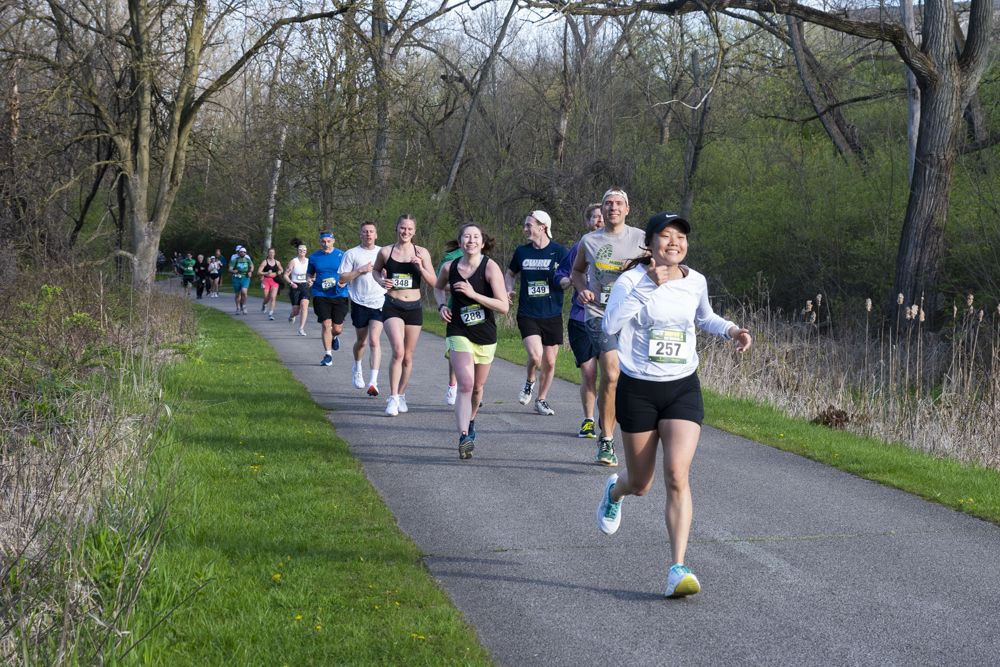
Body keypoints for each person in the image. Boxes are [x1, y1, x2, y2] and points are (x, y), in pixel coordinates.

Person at [596, 211, 752, 599]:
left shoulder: (695, 280)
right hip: (639, 390)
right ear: (649, 244)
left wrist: (731, 329)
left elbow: (705, 317)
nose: (674, 243)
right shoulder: (631, 280)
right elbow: (610, 325)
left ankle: (677, 568)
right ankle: (616, 491)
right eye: (665, 236)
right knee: (642, 484)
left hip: (683, 387)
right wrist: (648, 284)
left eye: (680, 236)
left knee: (677, 475)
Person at [571, 188, 645, 466]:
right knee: (611, 373)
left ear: (627, 209)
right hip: (598, 314)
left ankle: (617, 420)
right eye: (608, 204)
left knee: (628, 378)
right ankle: (607, 441)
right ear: (601, 209)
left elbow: (660, 267)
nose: (613, 208)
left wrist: (639, 264)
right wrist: (582, 289)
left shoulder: (642, 239)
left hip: (633, 316)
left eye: (618, 204)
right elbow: (577, 272)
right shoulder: (589, 241)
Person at [434, 223, 509, 459]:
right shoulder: (449, 267)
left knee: (477, 388)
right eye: (467, 236)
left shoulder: (490, 268)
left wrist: (473, 294)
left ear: (483, 243)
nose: (471, 240)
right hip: (458, 330)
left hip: (485, 334)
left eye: (476, 237)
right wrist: (441, 305)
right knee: (465, 384)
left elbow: (503, 306)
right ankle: (464, 436)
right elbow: (437, 288)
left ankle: (472, 419)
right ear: (460, 242)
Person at [371, 214, 437, 417]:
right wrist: (381, 282)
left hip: (414, 307)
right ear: (396, 228)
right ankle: (392, 398)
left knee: (407, 357)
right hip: (392, 305)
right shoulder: (385, 251)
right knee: (398, 352)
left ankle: (401, 394)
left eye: (409, 229)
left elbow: (434, 282)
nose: (405, 232)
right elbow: (375, 271)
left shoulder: (422, 252)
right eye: (402, 228)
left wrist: (419, 266)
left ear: (414, 231)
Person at [504, 211, 568, 416]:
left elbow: (565, 279)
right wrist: (507, 290)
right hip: (527, 312)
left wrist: (571, 282)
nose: (525, 229)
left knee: (550, 362)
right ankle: (529, 381)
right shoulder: (522, 252)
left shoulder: (560, 251)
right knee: (535, 355)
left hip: (552, 313)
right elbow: (510, 274)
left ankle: (541, 400)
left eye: (528, 225)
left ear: (542, 227)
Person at [556, 203, 605, 437]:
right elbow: (561, 275)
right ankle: (588, 420)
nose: (600, 221)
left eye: (603, 217)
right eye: (595, 217)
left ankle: (607, 416)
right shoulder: (580, 246)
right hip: (581, 317)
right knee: (589, 372)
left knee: (611, 374)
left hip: (611, 321)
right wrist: (570, 283)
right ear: (588, 222)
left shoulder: (623, 248)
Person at [338, 221, 386, 396]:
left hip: (379, 301)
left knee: (374, 341)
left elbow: (390, 273)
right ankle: (357, 367)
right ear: (360, 235)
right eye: (365, 232)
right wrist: (360, 270)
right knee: (362, 342)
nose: (368, 234)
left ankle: (373, 382)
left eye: (371, 231)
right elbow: (342, 277)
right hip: (359, 302)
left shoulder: (383, 253)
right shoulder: (351, 254)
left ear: (376, 235)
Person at [307, 230, 349, 365]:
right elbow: (309, 274)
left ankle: (334, 337)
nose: (326, 244)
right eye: (323, 242)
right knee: (326, 324)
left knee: (337, 329)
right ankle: (328, 355)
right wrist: (309, 280)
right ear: (320, 242)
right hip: (320, 294)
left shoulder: (342, 255)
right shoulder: (314, 257)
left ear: (333, 241)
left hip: (339, 294)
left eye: (329, 241)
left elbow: (349, 274)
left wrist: (344, 282)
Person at [437, 245, 464, 405]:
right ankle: (452, 384)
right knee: (456, 350)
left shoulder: (485, 259)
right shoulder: (450, 258)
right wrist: (458, 286)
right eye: (467, 237)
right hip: (456, 308)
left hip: (479, 309)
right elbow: (437, 282)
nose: (471, 240)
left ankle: (473, 388)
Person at [284, 239, 311, 335]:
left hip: (306, 286)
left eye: (304, 250)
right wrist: (291, 283)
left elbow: (314, 274)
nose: (302, 251)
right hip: (295, 286)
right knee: (296, 311)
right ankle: (292, 315)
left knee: (304, 307)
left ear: (306, 251)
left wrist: (311, 280)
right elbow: (285, 275)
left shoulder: (309, 261)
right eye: (300, 250)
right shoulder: (293, 262)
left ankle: (301, 329)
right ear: (298, 251)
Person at [257, 248, 283, 320]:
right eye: (270, 252)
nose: (271, 254)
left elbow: (281, 269)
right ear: (268, 253)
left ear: (274, 254)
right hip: (266, 281)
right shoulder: (264, 262)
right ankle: (264, 304)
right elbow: (258, 272)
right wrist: (266, 272)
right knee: (266, 298)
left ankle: (270, 314)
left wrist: (280, 271)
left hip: (274, 281)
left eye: (273, 252)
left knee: (273, 297)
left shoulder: (277, 262)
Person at [230, 246, 254, 314]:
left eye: (244, 252)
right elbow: (230, 268)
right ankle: (238, 307)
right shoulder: (236, 260)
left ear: (245, 253)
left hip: (245, 278)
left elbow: (252, 266)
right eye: (241, 252)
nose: (242, 253)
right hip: (237, 278)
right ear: (239, 253)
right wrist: (233, 271)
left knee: (244, 292)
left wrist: (250, 271)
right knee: (237, 294)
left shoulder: (247, 260)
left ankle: (244, 306)